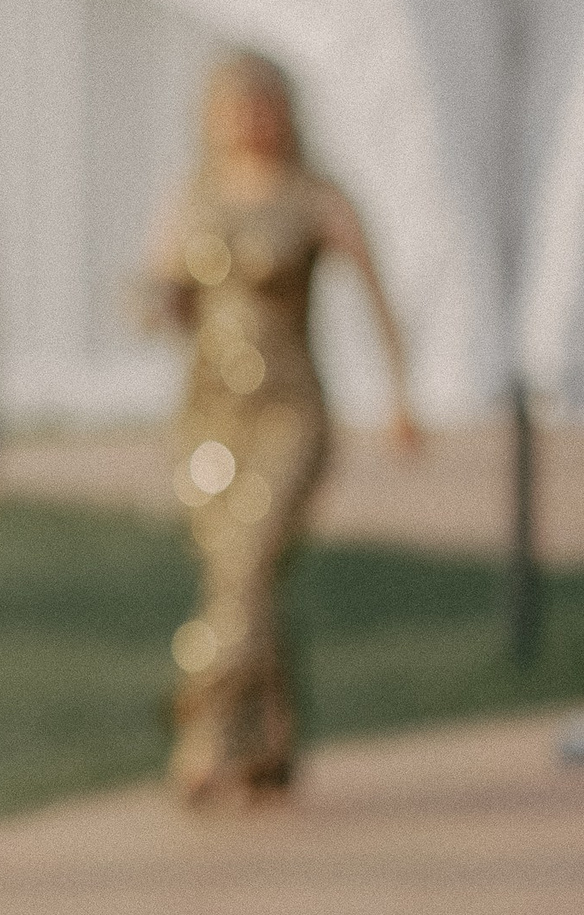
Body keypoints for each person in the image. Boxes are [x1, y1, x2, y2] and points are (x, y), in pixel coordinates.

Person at [141, 49, 421, 807]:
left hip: (288, 411)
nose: (248, 120)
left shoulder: (314, 197)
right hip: (208, 416)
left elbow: (378, 295)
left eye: (260, 104)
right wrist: (158, 303)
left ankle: (201, 727)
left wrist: (400, 396)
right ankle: (269, 738)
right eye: (233, 105)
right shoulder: (192, 196)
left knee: (248, 560)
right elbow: (164, 290)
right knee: (237, 575)